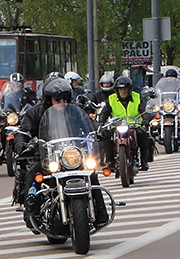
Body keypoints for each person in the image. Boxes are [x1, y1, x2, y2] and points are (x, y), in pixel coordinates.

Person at [14, 77, 108, 224]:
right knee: (33, 173)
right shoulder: (35, 113)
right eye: (57, 98)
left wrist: (99, 130)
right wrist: (22, 143)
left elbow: (89, 123)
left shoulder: (75, 111)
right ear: (49, 99)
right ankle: (30, 211)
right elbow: (24, 131)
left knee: (92, 172)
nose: (62, 102)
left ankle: (101, 210)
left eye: (65, 98)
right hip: (48, 156)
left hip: (73, 154)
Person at [98, 76, 153, 170]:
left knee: (143, 134)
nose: (123, 91)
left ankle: (144, 161)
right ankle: (110, 161)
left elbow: (143, 109)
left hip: (134, 125)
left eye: (125, 89)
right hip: (117, 125)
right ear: (117, 90)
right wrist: (101, 122)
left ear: (129, 89)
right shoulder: (111, 99)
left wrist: (145, 120)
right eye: (120, 89)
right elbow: (105, 111)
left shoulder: (137, 97)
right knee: (106, 136)